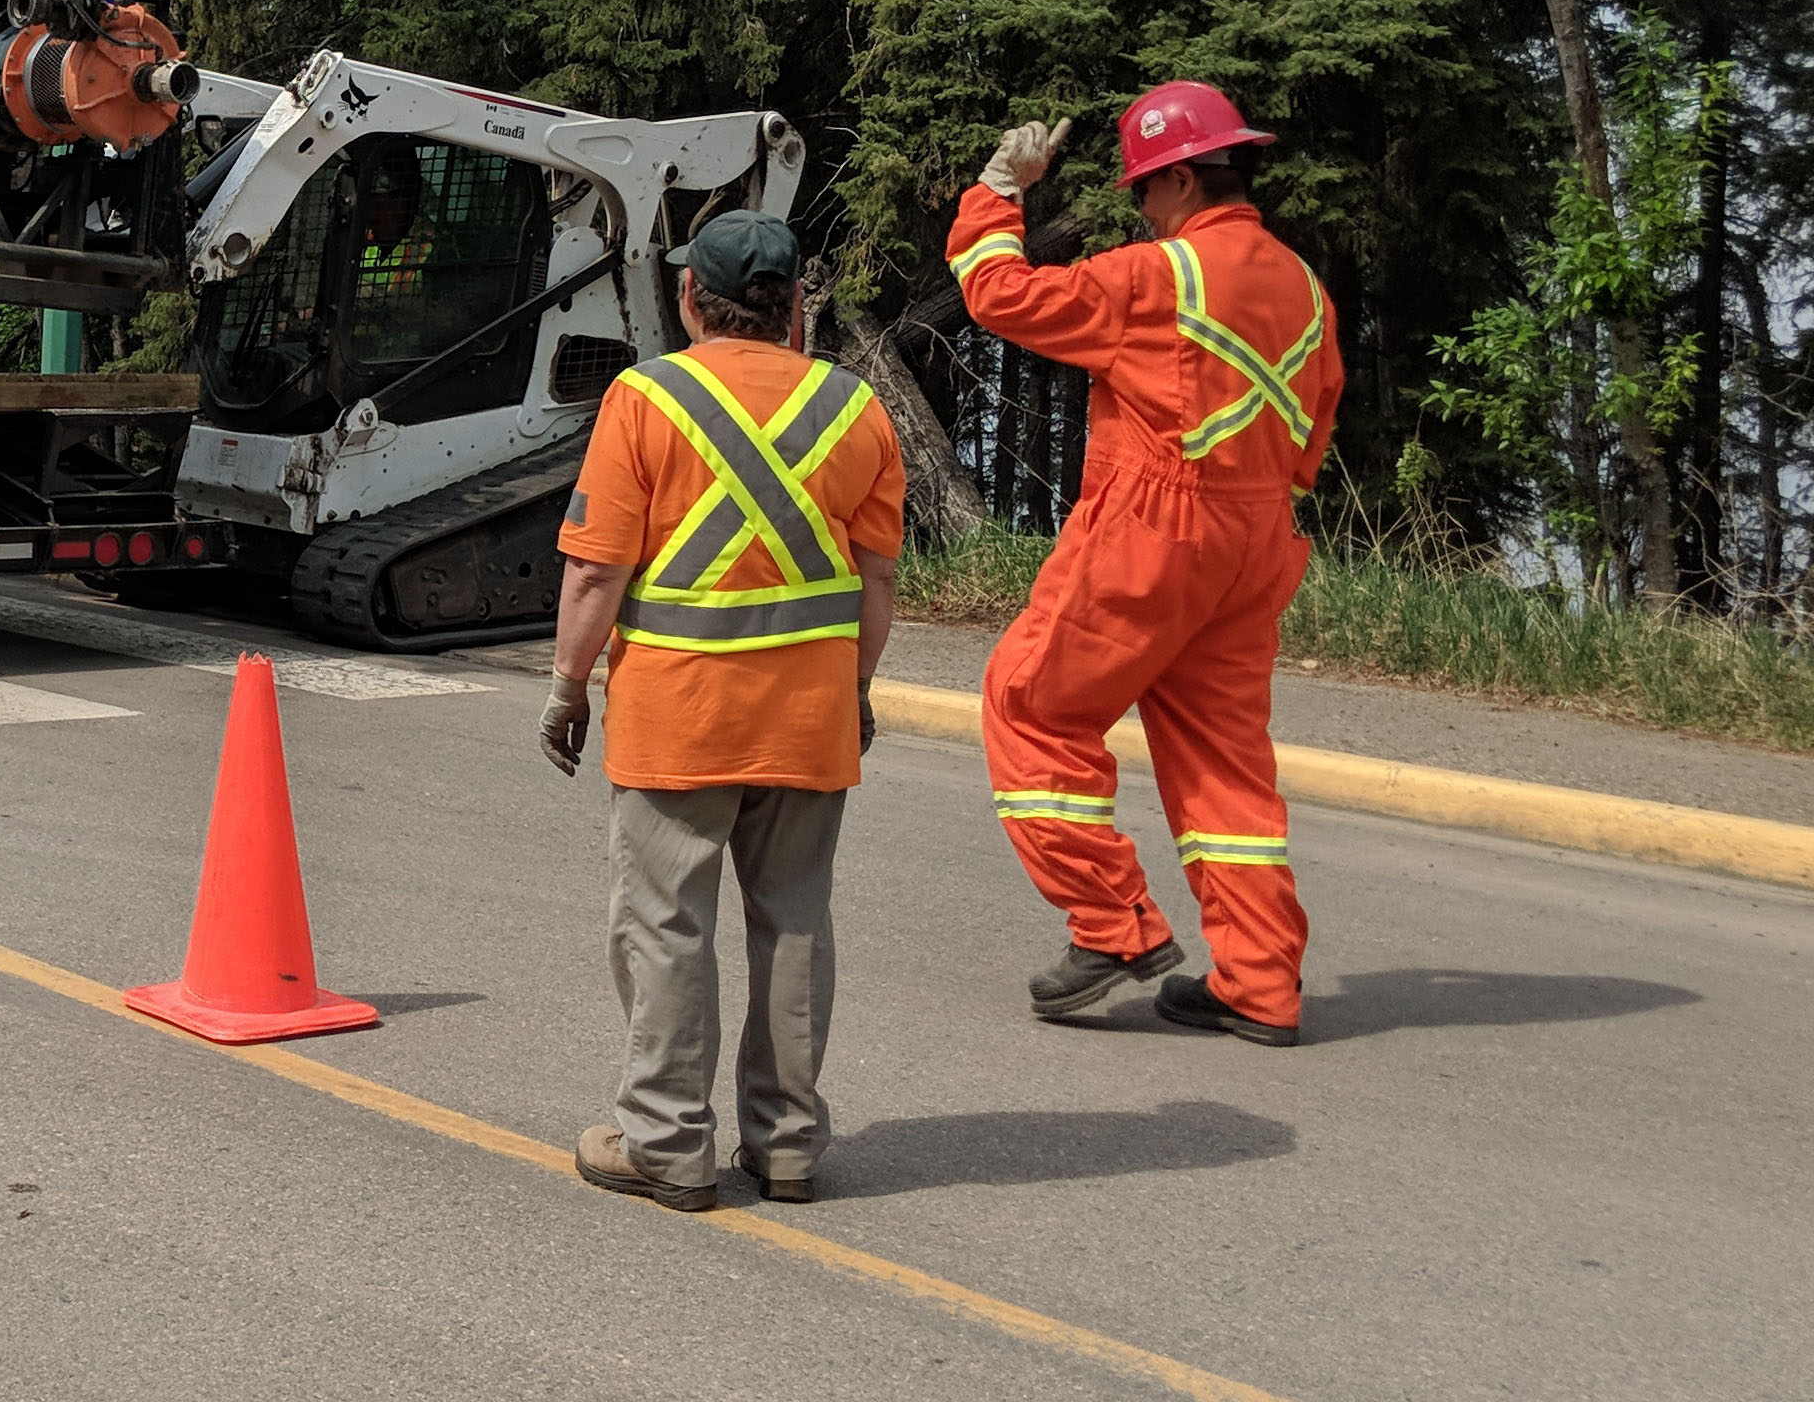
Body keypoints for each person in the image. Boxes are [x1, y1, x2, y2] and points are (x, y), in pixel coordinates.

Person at [950, 81, 1342, 1044]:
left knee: (1030, 703)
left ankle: (1114, 927)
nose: (1138, 205)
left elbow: (999, 293)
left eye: (1140, 189)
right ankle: (1258, 985)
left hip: (1155, 528)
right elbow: (1311, 433)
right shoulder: (1304, 287)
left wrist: (999, 191)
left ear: (1175, 179)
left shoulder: (1160, 276)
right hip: (1258, 539)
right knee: (1225, 767)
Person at [544, 212, 906, 1207]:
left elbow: (595, 572)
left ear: (689, 298)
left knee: (666, 926)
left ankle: (666, 1141)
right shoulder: (855, 409)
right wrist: (859, 689)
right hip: (810, 715)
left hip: (680, 716)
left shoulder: (646, 397)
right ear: (796, 306)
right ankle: (787, 1143)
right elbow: (877, 583)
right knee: (793, 923)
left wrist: (569, 686)